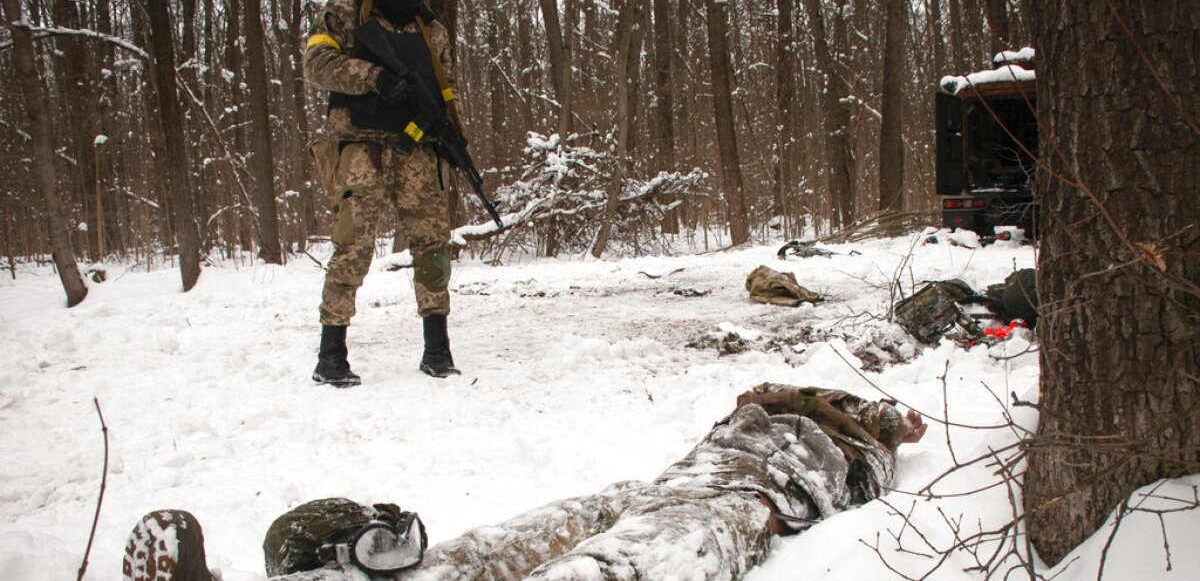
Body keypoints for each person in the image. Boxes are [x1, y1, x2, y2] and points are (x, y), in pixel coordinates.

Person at [122, 384, 927, 580]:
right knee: (486, 550)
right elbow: (757, 398)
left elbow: (900, 423)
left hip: (746, 504)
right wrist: (775, 400)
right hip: (662, 481)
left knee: (605, 569)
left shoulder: (861, 444)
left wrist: (855, 417)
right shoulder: (758, 404)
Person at [303, 0, 464, 386]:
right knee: (352, 246)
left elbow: (443, 88)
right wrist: (374, 78)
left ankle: (438, 348)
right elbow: (316, 65)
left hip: (415, 150)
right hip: (360, 149)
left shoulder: (430, 31)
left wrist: (448, 134)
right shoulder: (344, 14)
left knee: (433, 245)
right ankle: (330, 354)